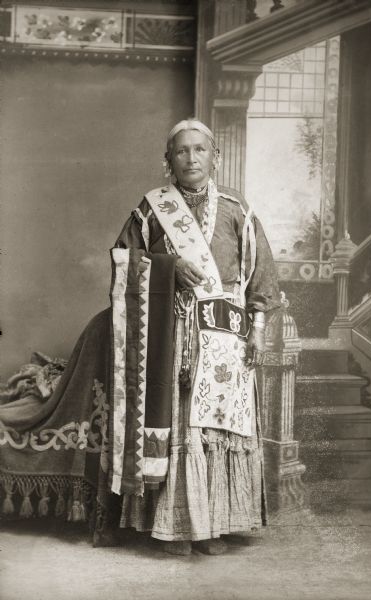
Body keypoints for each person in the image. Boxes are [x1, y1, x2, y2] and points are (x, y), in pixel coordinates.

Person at [0, 118, 280, 556]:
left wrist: (259, 331)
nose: (191, 158)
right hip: (170, 338)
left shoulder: (237, 211)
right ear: (167, 161)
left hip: (226, 341)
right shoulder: (151, 210)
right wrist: (167, 269)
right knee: (179, 430)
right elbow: (122, 265)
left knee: (217, 434)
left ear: (215, 157)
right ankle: (174, 528)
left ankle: (214, 526)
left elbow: (261, 275)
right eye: (181, 151)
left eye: (199, 150)